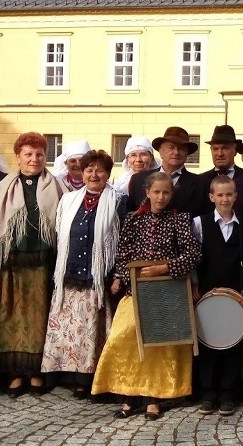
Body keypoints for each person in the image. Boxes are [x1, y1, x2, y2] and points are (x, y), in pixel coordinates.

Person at [92, 172, 201, 421]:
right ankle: (129, 396)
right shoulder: (133, 219)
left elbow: (193, 254)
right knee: (124, 338)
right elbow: (123, 251)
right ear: (147, 193)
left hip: (167, 292)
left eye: (166, 192)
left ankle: (155, 398)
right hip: (136, 290)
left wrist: (165, 268)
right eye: (156, 192)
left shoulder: (180, 220)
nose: (161, 196)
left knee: (159, 346)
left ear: (171, 195)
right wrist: (120, 276)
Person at [0, 132, 65, 397]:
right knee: (11, 317)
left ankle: (37, 372)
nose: (34, 159)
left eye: (39, 154)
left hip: (43, 264)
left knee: (39, 319)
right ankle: (16, 373)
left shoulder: (58, 187)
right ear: (18, 157)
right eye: (28, 154)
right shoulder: (3, 187)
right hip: (11, 264)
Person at [41, 150, 126, 399]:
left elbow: (122, 242)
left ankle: (95, 379)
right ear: (82, 172)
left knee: (94, 333)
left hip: (99, 278)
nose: (94, 174)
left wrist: (118, 274)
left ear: (108, 174)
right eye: (89, 169)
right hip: (69, 275)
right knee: (71, 332)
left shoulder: (118, 201)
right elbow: (59, 235)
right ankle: (73, 378)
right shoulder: (68, 201)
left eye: (100, 170)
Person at [191, 175, 243, 416]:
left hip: (235, 294)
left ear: (235, 196)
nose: (225, 199)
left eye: (229, 194)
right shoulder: (199, 223)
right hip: (207, 293)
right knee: (207, 342)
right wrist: (194, 284)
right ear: (211, 197)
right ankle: (208, 392)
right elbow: (193, 260)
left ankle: (227, 392)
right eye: (220, 195)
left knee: (233, 343)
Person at [128, 127, 201, 218]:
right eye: (171, 147)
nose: (176, 152)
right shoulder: (138, 180)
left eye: (181, 148)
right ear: (160, 150)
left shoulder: (201, 184)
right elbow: (130, 215)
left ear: (187, 153)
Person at [197, 125, 243, 215]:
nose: (219, 154)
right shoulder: (200, 181)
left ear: (235, 150)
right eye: (215, 149)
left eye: (225, 148)